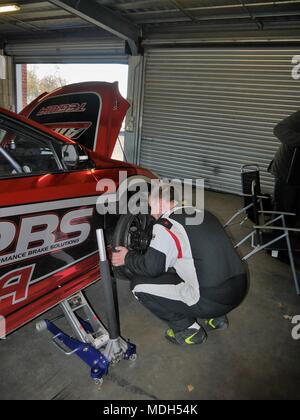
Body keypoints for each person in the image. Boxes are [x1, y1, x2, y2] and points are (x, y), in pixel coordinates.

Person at [112, 186, 248, 347]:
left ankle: (187, 330)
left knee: (138, 285)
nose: (150, 214)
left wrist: (127, 257)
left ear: (161, 204)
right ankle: (217, 319)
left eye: (151, 206)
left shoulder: (166, 225)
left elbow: (151, 268)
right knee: (193, 264)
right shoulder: (202, 213)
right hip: (239, 287)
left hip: (211, 300)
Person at [269, 111, 300, 225]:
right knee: (283, 209)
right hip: (286, 171)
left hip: (297, 172)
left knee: (295, 209)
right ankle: (278, 238)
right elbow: (279, 129)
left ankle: (290, 234)